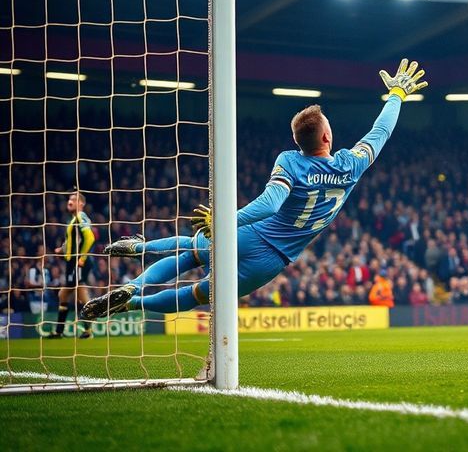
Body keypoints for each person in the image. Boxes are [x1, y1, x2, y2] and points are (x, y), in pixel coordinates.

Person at [82, 59, 427, 319]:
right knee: (198, 294)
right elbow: (380, 132)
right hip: (273, 259)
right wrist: (397, 93)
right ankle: (132, 305)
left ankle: (138, 266)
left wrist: (226, 222)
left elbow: (270, 204)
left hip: (253, 233)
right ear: (326, 137)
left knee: (191, 251)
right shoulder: (349, 165)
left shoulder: (290, 161)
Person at [47, 192, 96, 338]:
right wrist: (61, 250)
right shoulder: (74, 219)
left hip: (78, 263)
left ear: (81, 204)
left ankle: (88, 329)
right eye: (69, 199)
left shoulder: (81, 217)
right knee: (64, 294)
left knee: (80, 294)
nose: (70, 201)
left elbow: (90, 238)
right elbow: (73, 241)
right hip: (72, 262)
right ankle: (60, 332)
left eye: (74, 199)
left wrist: (82, 258)